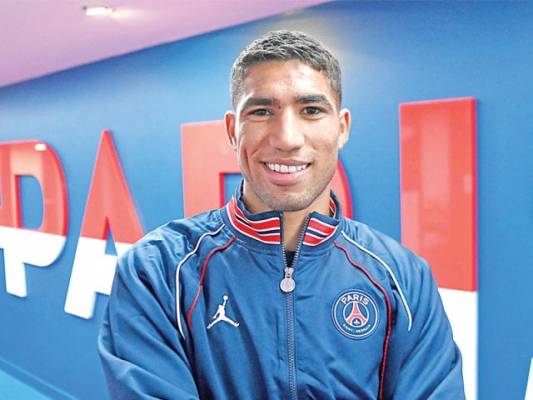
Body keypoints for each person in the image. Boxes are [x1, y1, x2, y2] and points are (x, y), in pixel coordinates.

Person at [98, 30, 465, 399]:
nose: (287, 138)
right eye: (261, 112)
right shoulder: (158, 270)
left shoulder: (403, 278)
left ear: (342, 128)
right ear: (232, 130)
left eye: (311, 111)